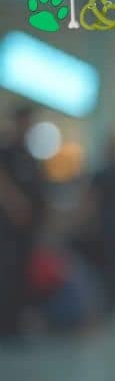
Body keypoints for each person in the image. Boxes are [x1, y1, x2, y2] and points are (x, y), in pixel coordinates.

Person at [0, 106, 47, 339]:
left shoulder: (30, 155)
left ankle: (16, 322)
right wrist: (15, 205)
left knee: (22, 274)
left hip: (27, 230)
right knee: (6, 272)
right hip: (7, 228)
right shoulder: (6, 151)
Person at [82, 138, 115, 314]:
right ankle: (112, 300)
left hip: (105, 223)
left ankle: (106, 300)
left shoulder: (101, 174)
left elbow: (91, 200)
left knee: (106, 263)